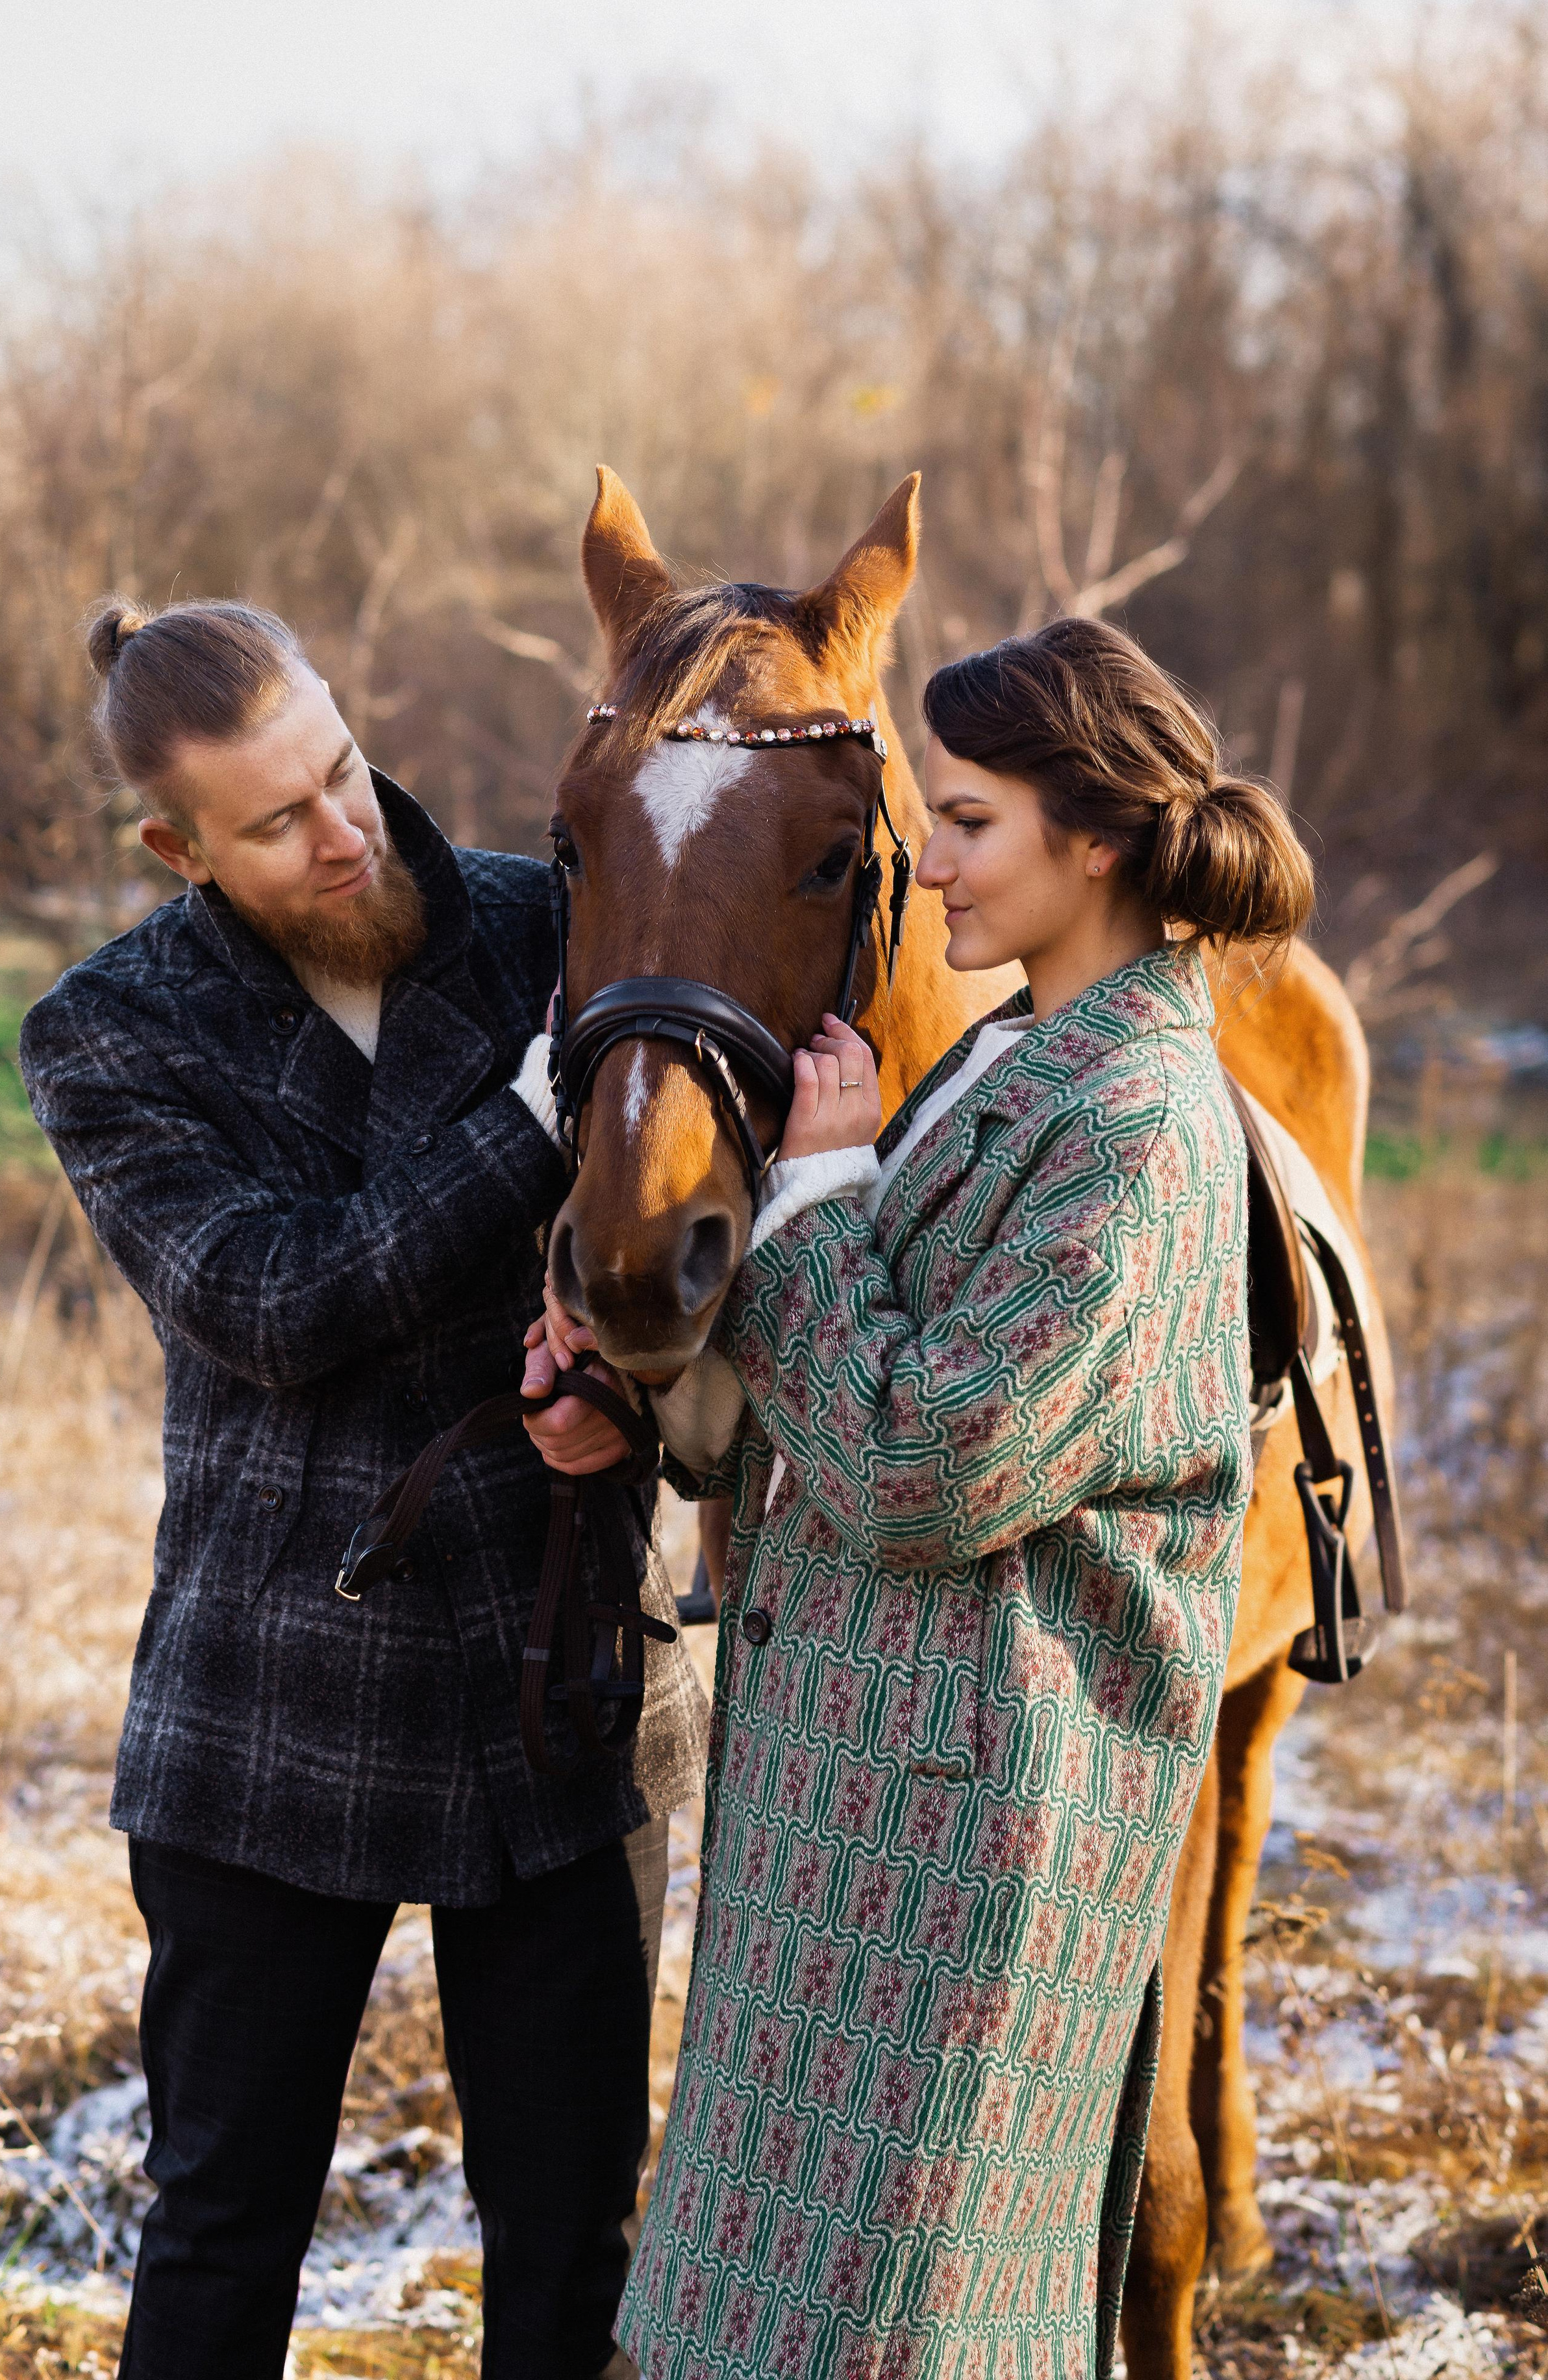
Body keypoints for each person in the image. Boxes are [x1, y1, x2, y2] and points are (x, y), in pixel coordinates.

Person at [525, 617, 1315, 2378]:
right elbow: (829, 1407)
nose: (927, 860)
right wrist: (657, 1397)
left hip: (964, 1850)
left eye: (963, 821)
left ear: (1094, 839)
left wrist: (809, 1200)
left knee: (906, 2333)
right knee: (760, 2325)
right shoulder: (1003, 1065)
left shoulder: (1138, 1123)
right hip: (848, 1812)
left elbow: (923, 1460)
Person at [20, 597, 708, 2380]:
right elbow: (272, 1303)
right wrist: (543, 1111)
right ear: (182, 851)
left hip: (556, 1678)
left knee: (574, 2239)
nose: (345, 833)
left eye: (342, 771)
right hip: (273, 1710)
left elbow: (678, 1237)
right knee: (227, 2227)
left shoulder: (548, 922)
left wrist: (624, 1397)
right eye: (279, 825)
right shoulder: (109, 1030)